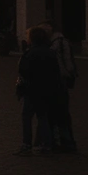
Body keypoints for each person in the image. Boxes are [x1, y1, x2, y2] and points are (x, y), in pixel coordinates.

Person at [16, 26, 63, 156]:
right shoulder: (50, 53)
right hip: (46, 90)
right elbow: (56, 72)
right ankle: (46, 144)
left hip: (31, 90)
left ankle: (26, 144)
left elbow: (23, 72)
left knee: (27, 117)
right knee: (43, 117)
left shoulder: (29, 54)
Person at [48, 21, 78, 152]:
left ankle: (64, 141)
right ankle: (63, 141)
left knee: (60, 112)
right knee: (60, 113)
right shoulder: (55, 42)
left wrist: (65, 74)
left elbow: (68, 63)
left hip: (59, 81)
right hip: (59, 81)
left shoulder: (59, 42)